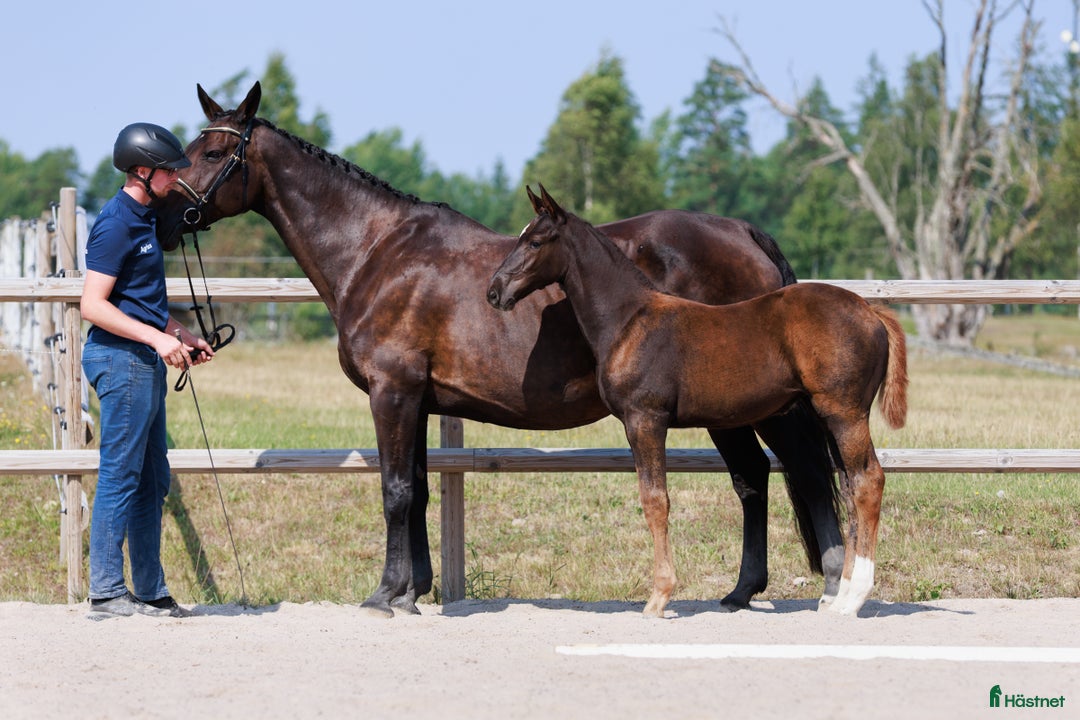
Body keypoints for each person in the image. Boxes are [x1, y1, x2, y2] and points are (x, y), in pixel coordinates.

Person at [80, 122, 214, 618]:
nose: (177, 178)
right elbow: (92, 305)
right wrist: (157, 339)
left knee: (152, 477)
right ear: (143, 171)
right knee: (121, 475)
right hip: (121, 361)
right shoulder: (116, 223)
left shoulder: (144, 220)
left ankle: (150, 590)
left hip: (142, 359)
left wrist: (180, 335)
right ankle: (106, 591)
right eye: (169, 171)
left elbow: (140, 303)